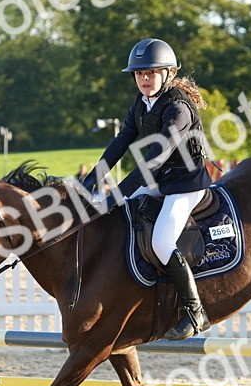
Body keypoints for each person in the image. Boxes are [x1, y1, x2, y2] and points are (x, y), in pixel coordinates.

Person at [83, 37, 213, 341]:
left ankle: (195, 312)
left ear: (167, 73)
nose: (144, 79)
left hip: (186, 185)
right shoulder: (141, 104)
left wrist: (118, 192)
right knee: (125, 217)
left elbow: (155, 158)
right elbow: (119, 143)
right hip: (162, 182)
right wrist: (92, 178)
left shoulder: (178, 108)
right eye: (139, 74)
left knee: (162, 242)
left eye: (151, 73)